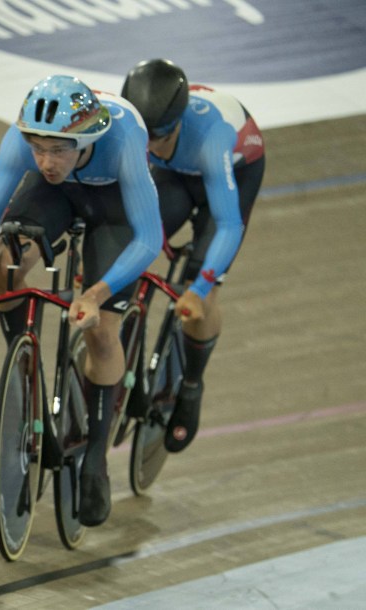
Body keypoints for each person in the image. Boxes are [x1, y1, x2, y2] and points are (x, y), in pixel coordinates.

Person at [0, 75, 162, 526]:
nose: (46, 160)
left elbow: (149, 239)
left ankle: (97, 462)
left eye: (59, 149)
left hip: (114, 208)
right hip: (58, 197)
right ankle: (23, 371)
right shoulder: (23, 144)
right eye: (38, 147)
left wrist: (95, 293)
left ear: (85, 140)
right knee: (7, 257)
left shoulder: (121, 136)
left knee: (102, 330)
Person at [121, 58, 265, 453]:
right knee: (131, 239)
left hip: (232, 174)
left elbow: (229, 224)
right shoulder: (146, 134)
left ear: (177, 125)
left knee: (204, 279)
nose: (147, 148)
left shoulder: (212, 136)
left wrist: (201, 286)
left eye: (157, 139)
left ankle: (191, 384)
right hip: (176, 173)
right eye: (141, 139)